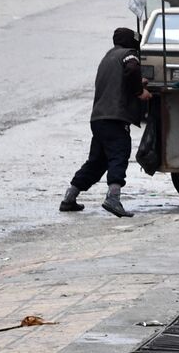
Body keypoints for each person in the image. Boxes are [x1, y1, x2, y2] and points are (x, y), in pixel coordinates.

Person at [61, 27, 152, 218]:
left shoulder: (108, 56)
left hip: (99, 118)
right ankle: (113, 198)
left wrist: (137, 82)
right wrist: (139, 91)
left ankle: (70, 197)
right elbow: (132, 68)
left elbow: (119, 80)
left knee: (97, 161)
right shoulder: (128, 54)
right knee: (119, 153)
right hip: (114, 117)